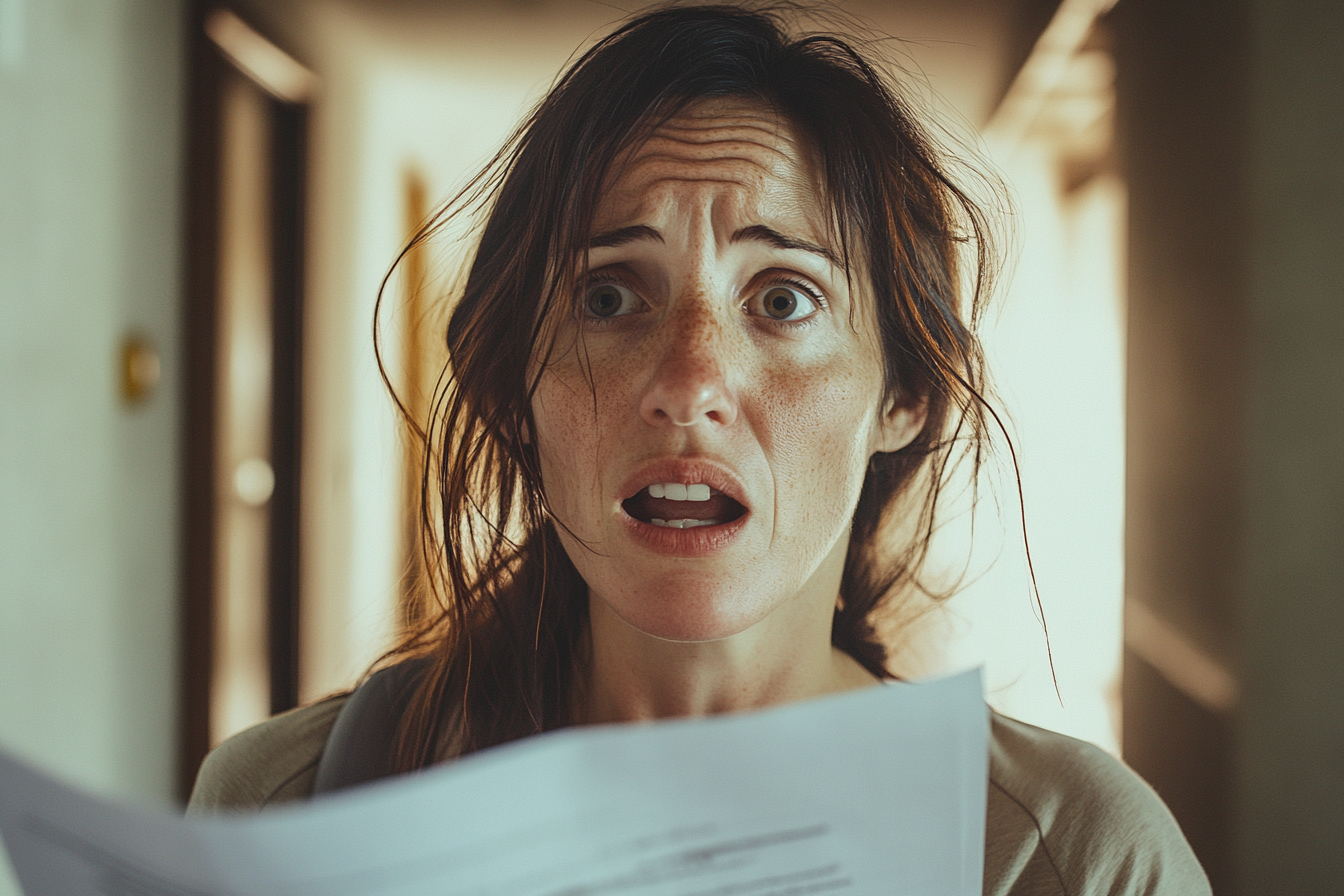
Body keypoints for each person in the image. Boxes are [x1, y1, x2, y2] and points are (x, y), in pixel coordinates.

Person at [190, 5, 1211, 894]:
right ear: (513, 387)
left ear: (902, 392)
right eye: (609, 296)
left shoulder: (1074, 861)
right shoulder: (282, 812)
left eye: (782, 299)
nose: (689, 381)